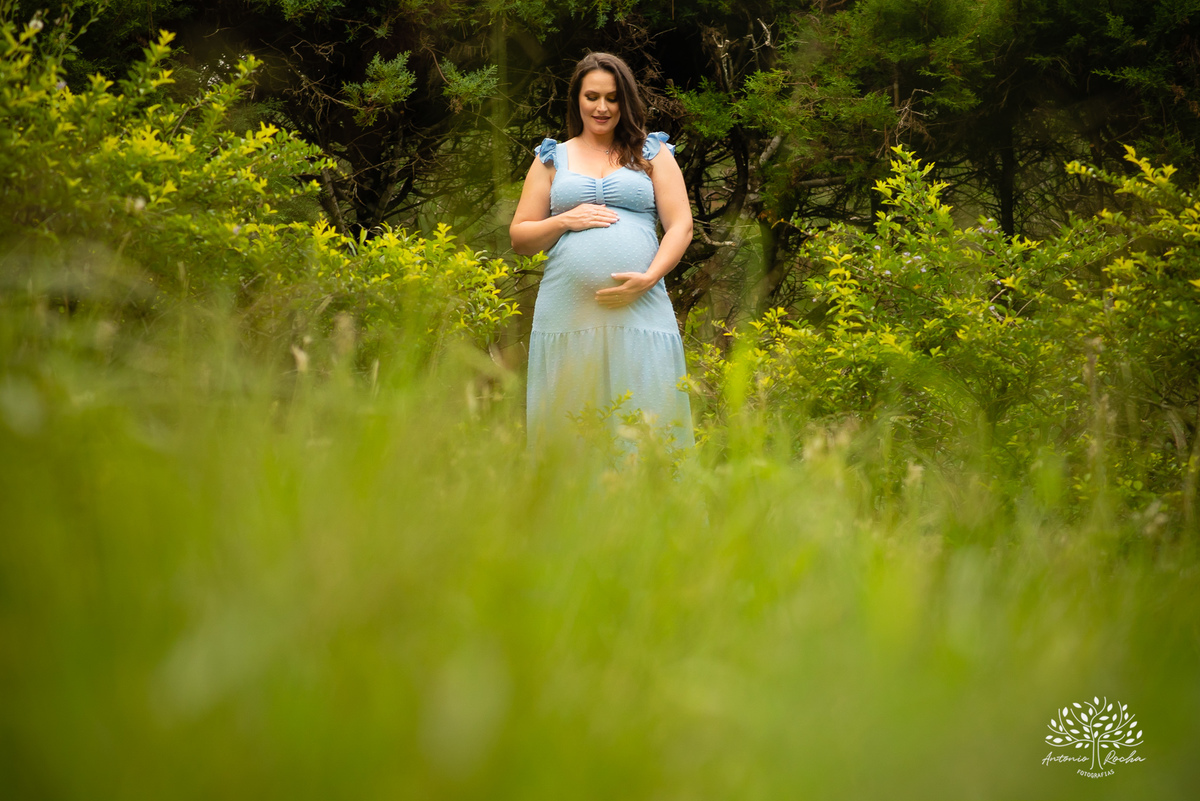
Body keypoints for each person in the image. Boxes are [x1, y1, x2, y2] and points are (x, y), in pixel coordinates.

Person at [510, 52, 695, 453]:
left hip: (641, 308)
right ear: (577, 99)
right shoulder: (551, 157)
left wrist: (648, 278)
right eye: (592, 96)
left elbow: (681, 225)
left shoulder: (652, 153)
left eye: (612, 98)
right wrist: (564, 220)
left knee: (650, 423)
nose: (602, 107)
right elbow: (521, 237)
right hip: (568, 313)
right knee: (571, 432)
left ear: (624, 101)